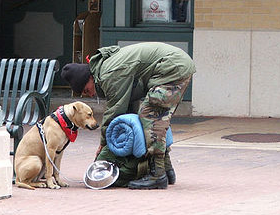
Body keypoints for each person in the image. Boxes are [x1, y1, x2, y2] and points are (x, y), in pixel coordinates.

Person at [61, 42, 195, 189]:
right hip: (176, 64)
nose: (91, 95)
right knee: (157, 118)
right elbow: (128, 106)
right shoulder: (106, 69)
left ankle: (157, 175)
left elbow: (115, 110)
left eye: (87, 90)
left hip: (172, 66)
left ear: (89, 78)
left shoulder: (109, 74)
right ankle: (166, 170)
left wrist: (103, 143)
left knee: (150, 115)